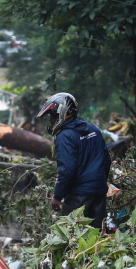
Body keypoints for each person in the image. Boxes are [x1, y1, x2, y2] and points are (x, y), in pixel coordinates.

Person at [36, 92, 110, 229]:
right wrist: (99, 183)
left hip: (79, 196)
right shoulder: (94, 129)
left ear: (63, 113)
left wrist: (57, 196)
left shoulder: (65, 136)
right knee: (96, 238)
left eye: (53, 116)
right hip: (99, 193)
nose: (51, 120)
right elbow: (106, 160)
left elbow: (67, 169)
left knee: (72, 238)